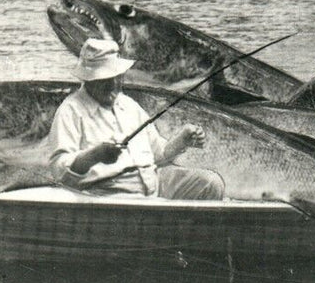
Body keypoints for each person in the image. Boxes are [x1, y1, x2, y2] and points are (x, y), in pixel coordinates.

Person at [48, 38, 226, 200]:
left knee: (211, 182)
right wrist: (95, 155)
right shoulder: (70, 110)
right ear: (88, 79)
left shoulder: (129, 105)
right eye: (105, 79)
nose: (113, 85)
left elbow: (159, 154)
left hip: (153, 184)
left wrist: (182, 140)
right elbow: (60, 172)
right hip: (109, 193)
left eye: (117, 77)